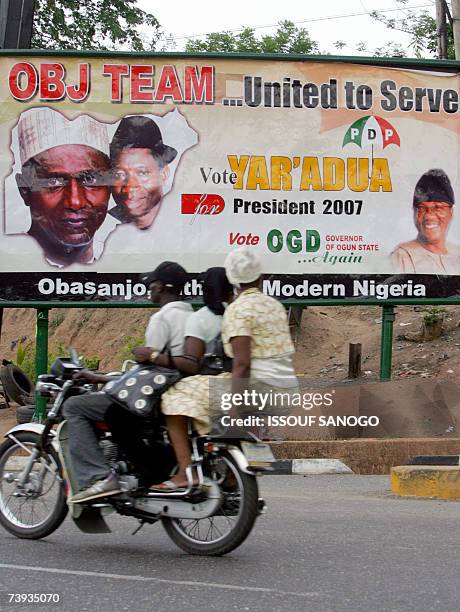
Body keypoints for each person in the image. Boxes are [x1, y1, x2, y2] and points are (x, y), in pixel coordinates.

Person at [64, 261, 193, 504]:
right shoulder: (192, 315)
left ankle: (97, 477)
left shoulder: (162, 318)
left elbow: (147, 371)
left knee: (75, 407)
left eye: (153, 284)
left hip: (155, 396)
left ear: (163, 287)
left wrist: (100, 378)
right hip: (180, 392)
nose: (150, 288)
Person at [153, 267, 234, 491]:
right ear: (230, 290)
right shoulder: (239, 315)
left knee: (171, 402)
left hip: (214, 384)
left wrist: (155, 356)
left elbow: (191, 363)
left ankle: (185, 470)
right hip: (246, 383)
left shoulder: (199, 319)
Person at [15, 107, 112, 266]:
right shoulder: (9, 262)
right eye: (54, 182)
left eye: (90, 180)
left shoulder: (123, 260)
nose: (75, 202)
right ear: (24, 190)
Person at [221, 248, 298, 435]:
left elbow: (242, 364)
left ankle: (187, 461)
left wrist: (234, 409)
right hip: (286, 389)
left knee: (188, 394)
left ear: (231, 277)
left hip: (257, 390)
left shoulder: (238, 309)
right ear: (261, 275)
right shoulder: (275, 305)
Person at [109, 115, 177, 230]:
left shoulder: (186, 225)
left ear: (164, 174)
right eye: (119, 174)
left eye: (142, 173)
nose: (129, 187)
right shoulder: (102, 230)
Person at [390, 169, 460, 274]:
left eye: (438, 208)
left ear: (451, 212)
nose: (429, 216)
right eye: (422, 208)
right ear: (414, 211)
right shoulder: (402, 257)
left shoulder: (457, 254)